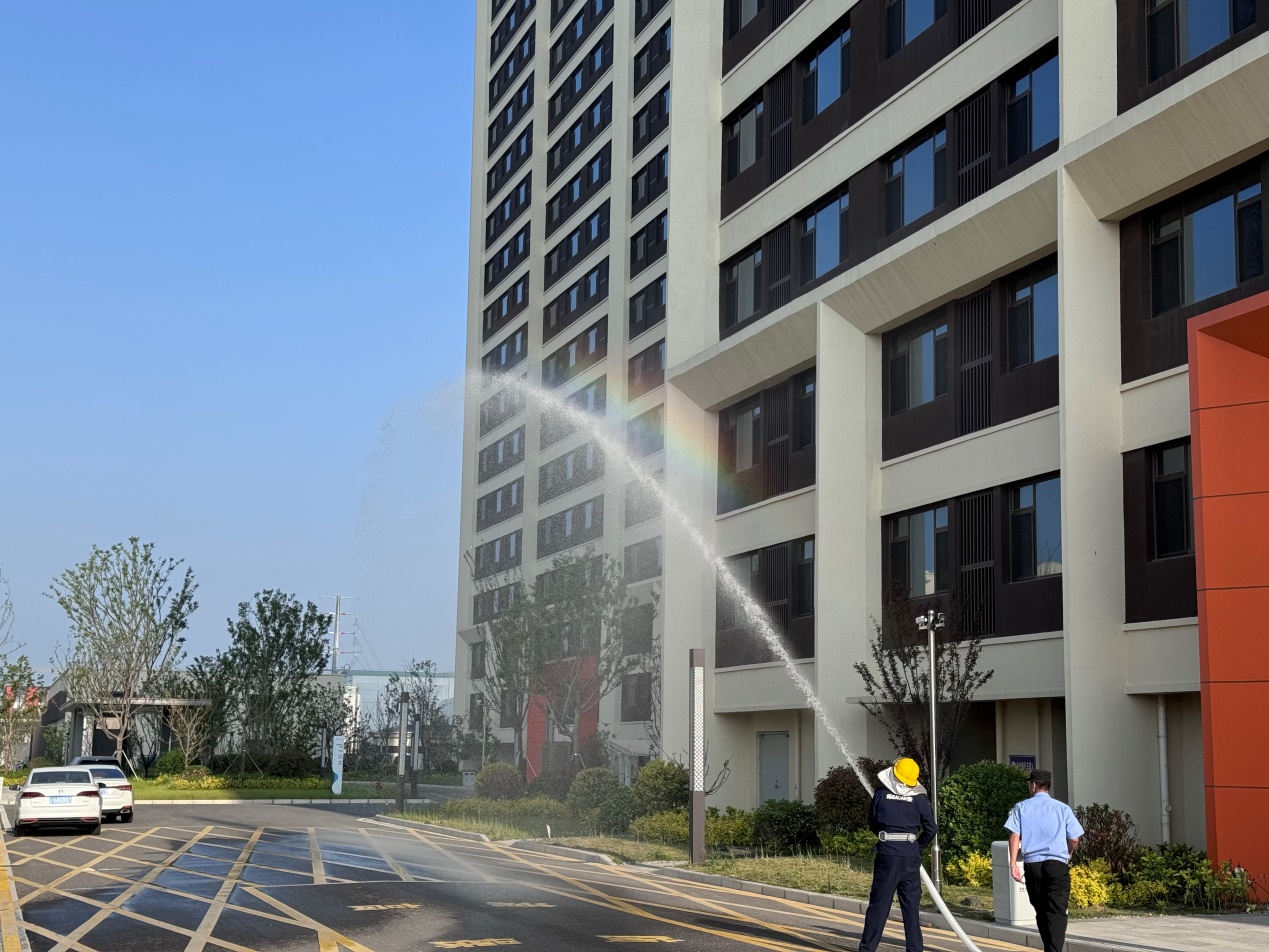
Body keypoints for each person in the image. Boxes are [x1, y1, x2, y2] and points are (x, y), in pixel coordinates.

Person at [858, 757, 937, 952]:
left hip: (887, 854)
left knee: (879, 905)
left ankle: (867, 949)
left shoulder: (881, 794)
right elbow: (931, 829)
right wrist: (917, 847)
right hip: (910, 856)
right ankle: (915, 949)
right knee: (911, 908)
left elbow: (873, 823)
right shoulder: (919, 798)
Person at [1005, 769, 1084, 952]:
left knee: (1041, 910)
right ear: (1048, 786)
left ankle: (1050, 948)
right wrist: (1068, 853)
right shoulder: (1062, 808)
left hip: (1033, 866)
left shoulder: (1021, 807)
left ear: (1033, 785)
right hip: (1057, 865)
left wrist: (1013, 864)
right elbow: (1074, 838)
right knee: (1056, 911)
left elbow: (1014, 836)